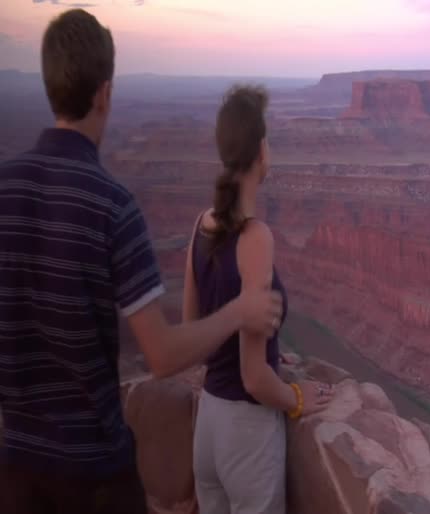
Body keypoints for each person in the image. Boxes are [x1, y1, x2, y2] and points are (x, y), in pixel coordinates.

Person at [0, 9, 283, 514]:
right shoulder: (111, 204)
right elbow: (162, 357)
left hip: (17, 466)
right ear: (105, 93)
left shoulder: (6, 186)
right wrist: (240, 313)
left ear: (49, 86)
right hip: (94, 474)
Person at [182, 85, 334, 514]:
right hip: (247, 433)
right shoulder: (255, 237)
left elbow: (196, 331)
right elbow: (252, 378)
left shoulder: (201, 224)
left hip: (208, 429)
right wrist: (298, 398)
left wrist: (269, 351)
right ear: (261, 150)